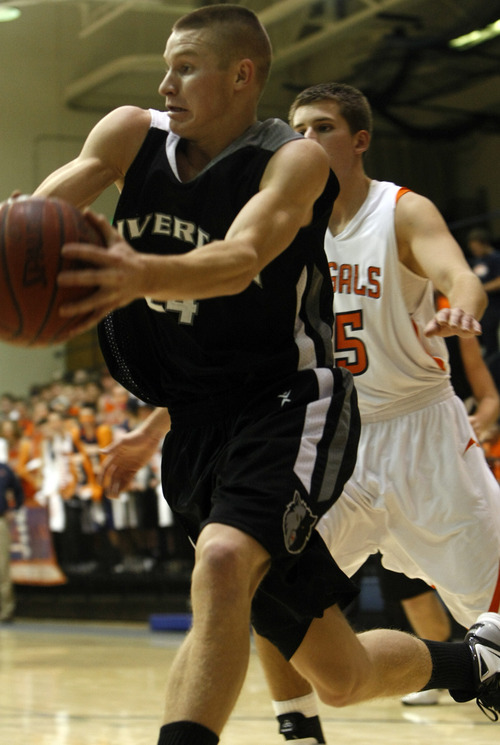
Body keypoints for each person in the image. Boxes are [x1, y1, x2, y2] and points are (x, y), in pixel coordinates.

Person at [27, 8, 500, 744]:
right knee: (338, 673)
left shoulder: (296, 164)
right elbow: (34, 215)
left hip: (292, 403)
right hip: (196, 416)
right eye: (166, 65)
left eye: (186, 66)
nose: (166, 82)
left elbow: (243, 258)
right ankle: (467, 665)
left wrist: (134, 273)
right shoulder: (130, 132)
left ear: (242, 75)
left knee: (221, 562)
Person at [252, 81, 500, 741]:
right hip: (339, 443)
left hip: (424, 435)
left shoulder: (400, 211)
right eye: (297, 128)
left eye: (323, 127)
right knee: (264, 579)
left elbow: (460, 275)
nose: (306, 140)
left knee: (499, 620)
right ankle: (298, 724)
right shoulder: (284, 229)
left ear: (359, 140)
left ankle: (482, 663)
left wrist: (463, 306)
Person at [467, 228, 500, 358]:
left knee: (495, 343)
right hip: (484, 310)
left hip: (496, 308)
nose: (475, 251)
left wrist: (481, 288)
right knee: (487, 341)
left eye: (476, 248)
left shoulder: (496, 258)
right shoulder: (478, 261)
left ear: (484, 244)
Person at [0, 460, 25, 623]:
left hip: (0, 521)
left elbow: (18, 491)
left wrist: (13, 510)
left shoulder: (4, 469)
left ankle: (6, 611)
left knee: (2, 567)